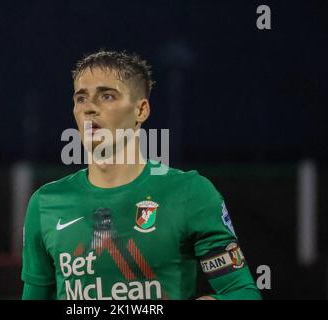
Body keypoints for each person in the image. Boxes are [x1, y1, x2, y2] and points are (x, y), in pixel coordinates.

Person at [21, 50, 261, 300]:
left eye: (106, 96)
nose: (89, 108)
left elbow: (243, 292)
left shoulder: (190, 193)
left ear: (141, 110)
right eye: (81, 98)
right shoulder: (45, 203)